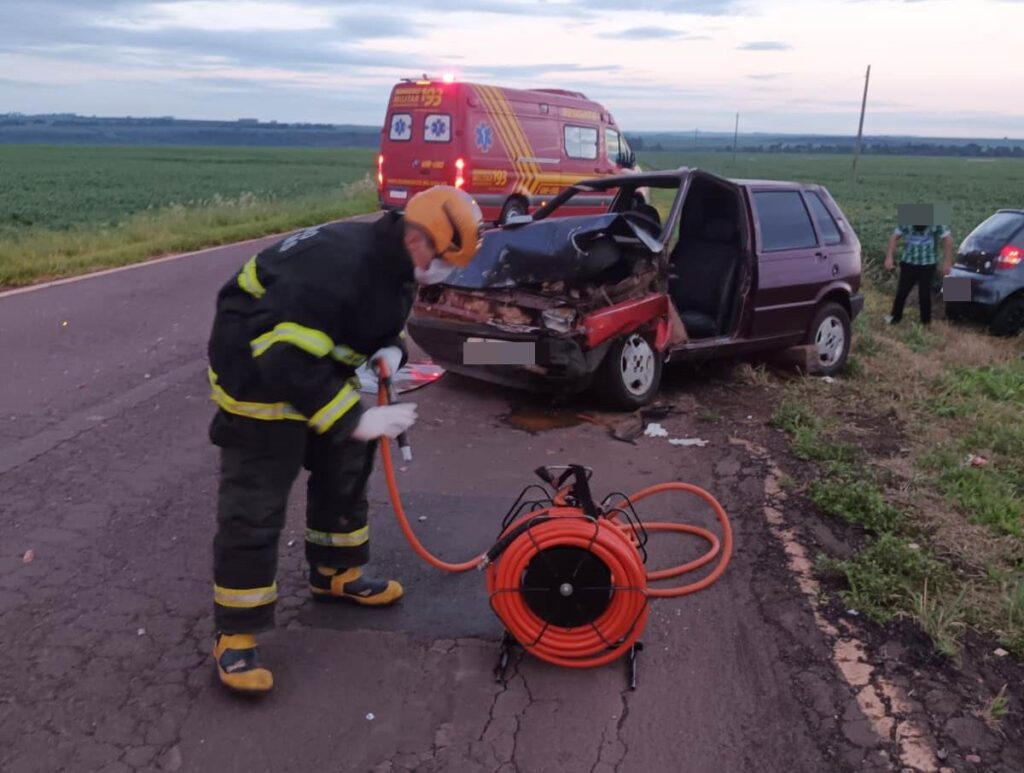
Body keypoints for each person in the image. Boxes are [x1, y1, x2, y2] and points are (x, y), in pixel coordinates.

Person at [205, 186, 483, 694]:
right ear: (417, 239)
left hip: (312, 368)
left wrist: (390, 351)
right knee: (256, 502)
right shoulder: (340, 265)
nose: (445, 273)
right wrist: (353, 419)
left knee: (346, 464)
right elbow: (283, 356)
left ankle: (334, 573)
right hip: (256, 374)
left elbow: (374, 321)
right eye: (445, 261)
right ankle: (237, 633)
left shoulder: (395, 264)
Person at [884, 221, 953, 325]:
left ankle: (925, 322)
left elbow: (947, 239)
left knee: (924, 295)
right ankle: (894, 318)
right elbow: (894, 237)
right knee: (901, 293)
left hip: (928, 264)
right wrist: (889, 257)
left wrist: (947, 262)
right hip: (908, 262)